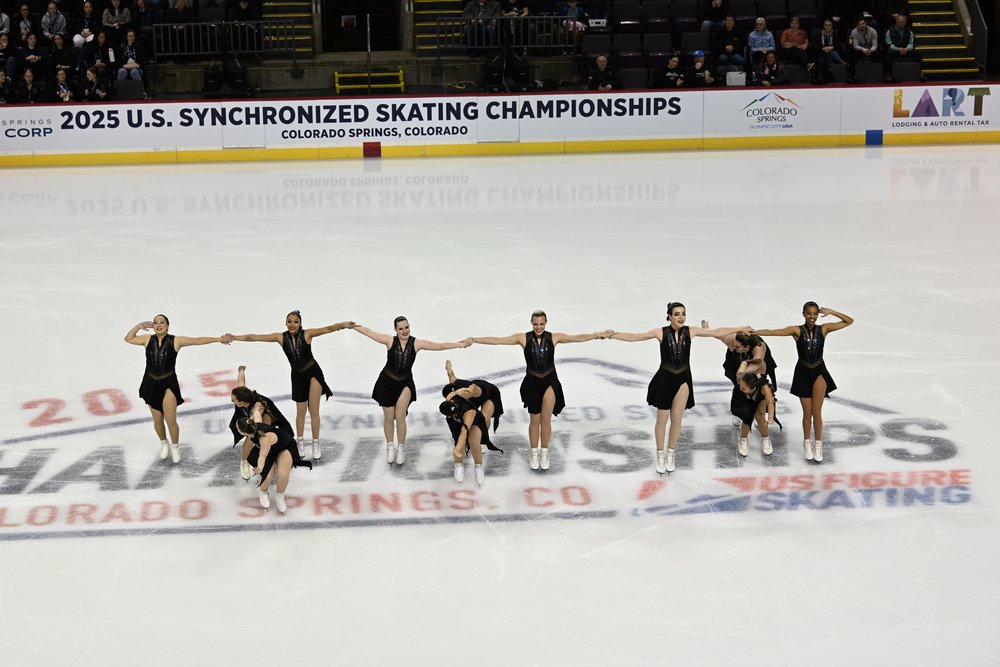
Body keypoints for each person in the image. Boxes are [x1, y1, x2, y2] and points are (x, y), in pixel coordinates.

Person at [610, 304, 747, 474]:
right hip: (664, 380)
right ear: (669, 316)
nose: (681, 317)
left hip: (683, 380)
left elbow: (716, 332)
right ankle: (660, 453)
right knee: (662, 420)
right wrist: (612, 335)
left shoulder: (690, 331)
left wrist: (739, 328)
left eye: (683, 314)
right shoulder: (660, 332)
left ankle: (670, 453)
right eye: (677, 314)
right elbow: (633, 337)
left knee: (677, 419)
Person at [471, 311, 613, 471]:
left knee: (546, 419)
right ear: (531, 323)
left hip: (550, 381)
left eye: (541, 324)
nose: (538, 327)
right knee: (535, 420)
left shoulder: (554, 337)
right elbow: (498, 341)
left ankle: (544, 452)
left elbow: (577, 337)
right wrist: (475, 339)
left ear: (546, 323)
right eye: (535, 324)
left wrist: (598, 335)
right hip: (531, 383)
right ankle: (533, 452)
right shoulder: (523, 338)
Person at [229, 311, 354, 460]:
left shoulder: (307, 334)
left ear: (300, 323)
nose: (292, 324)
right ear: (285, 323)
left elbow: (327, 329)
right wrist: (235, 337)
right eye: (289, 321)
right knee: (300, 413)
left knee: (314, 411)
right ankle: (300, 441)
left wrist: (343, 325)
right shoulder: (280, 338)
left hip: (314, 374)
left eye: (296, 322)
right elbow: (254, 337)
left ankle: (316, 442)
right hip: (297, 377)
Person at [352, 318, 472, 466]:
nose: (404, 331)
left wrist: (460, 345)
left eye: (406, 327)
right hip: (386, 383)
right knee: (389, 417)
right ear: (395, 330)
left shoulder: (416, 343)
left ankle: (401, 448)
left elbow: (439, 346)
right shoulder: (389, 340)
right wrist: (352, 326)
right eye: (401, 329)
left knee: (400, 416)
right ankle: (390, 447)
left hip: (405, 384)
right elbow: (370, 333)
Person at [124, 315, 233, 463]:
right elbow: (128, 338)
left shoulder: (176, 340)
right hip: (150, 383)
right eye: (155, 323)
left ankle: (175, 446)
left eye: (162, 322)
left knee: (171, 420)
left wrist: (219, 339)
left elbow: (197, 340)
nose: (158, 325)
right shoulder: (147, 339)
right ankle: (164, 444)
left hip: (168, 384)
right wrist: (138, 326)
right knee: (157, 420)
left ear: (167, 326)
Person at [753, 302, 853, 463]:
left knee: (817, 412)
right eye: (808, 313)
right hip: (802, 373)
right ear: (803, 314)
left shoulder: (824, 329)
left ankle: (818, 445)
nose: (812, 317)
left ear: (818, 314)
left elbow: (849, 321)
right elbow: (775, 332)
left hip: (819, 372)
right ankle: (807, 443)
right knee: (807, 413)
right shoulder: (797, 330)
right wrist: (755, 332)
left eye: (815, 314)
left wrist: (832, 311)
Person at [229, 365, 294, 481]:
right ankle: (244, 461)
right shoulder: (242, 394)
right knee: (251, 436)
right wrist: (241, 370)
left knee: (254, 436)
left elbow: (256, 420)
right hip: (248, 416)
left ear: (242, 402)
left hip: (265, 417)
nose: (232, 401)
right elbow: (241, 381)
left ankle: (267, 458)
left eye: (233, 400)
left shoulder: (258, 406)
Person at [235, 418, 312, 514]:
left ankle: (279, 495)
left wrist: (259, 468)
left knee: (283, 474)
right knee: (267, 477)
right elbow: (257, 415)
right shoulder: (254, 427)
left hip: (284, 447)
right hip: (269, 451)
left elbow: (262, 455)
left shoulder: (265, 438)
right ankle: (263, 492)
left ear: (242, 432)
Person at [440, 389, 504, 486]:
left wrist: (458, 448)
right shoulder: (450, 400)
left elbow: (464, 433)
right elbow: (451, 388)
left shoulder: (469, 413)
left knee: (473, 441)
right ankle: (458, 465)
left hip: (475, 421)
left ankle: (478, 466)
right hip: (455, 422)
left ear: (453, 403)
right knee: (458, 443)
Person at [443, 358, 505, 453]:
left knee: (484, 416)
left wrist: (460, 392)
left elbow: (470, 390)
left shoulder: (467, 392)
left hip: (491, 394)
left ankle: (483, 440)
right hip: (470, 393)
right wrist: (448, 367)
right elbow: (451, 376)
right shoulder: (455, 385)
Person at [732, 360, 780, 458]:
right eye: (741, 385)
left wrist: (770, 417)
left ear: (753, 389)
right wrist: (744, 363)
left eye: (744, 388)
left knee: (760, 416)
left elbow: (770, 402)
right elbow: (741, 381)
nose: (741, 387)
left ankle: (765, 439)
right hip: (743, 397)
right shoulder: (742, 384)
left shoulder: (764, 388)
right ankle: (743, 440)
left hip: (759, 398)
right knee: (747, 416)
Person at [884, 12, 921, 81]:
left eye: (902, 22)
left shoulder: (909, 31)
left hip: (906, 50)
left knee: (918, 53)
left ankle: (919, 74)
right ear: (896, 21)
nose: (900, 23)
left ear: (905, 23)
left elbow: (911, 43)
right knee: (889, 54)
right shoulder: (889, 31)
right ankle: (888, 75)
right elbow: (889, 44)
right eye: (899, 22)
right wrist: (899, 49)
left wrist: (906, 49)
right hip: (895, 51)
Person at [813, 18, 844, 84]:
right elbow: (815, 45)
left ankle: (827, 78)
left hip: (831, 51)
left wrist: (831, 47)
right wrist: (822, 49)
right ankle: (841, 61)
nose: (827, 27)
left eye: (829, 25)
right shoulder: (818, 33)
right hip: (821, 52)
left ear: (832, 26)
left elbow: (838, 44)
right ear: (824, 25)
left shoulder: (835, 33)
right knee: (832, 55)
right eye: (826, 25)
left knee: (831, 54)